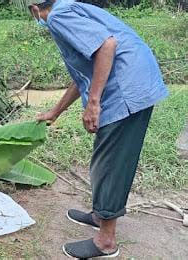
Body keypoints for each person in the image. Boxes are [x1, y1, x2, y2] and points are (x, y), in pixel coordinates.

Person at [28, 0, 168, 258]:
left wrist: (93, 103)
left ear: (35, 10)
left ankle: (106, 241)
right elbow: (86, 73)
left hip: (126, 88)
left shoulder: (57, 16)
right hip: (134, 80)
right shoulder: (68, 7)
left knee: (111, 162)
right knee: (106, 157)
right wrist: (56, 111)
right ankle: (98, 215)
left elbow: (107, 46)